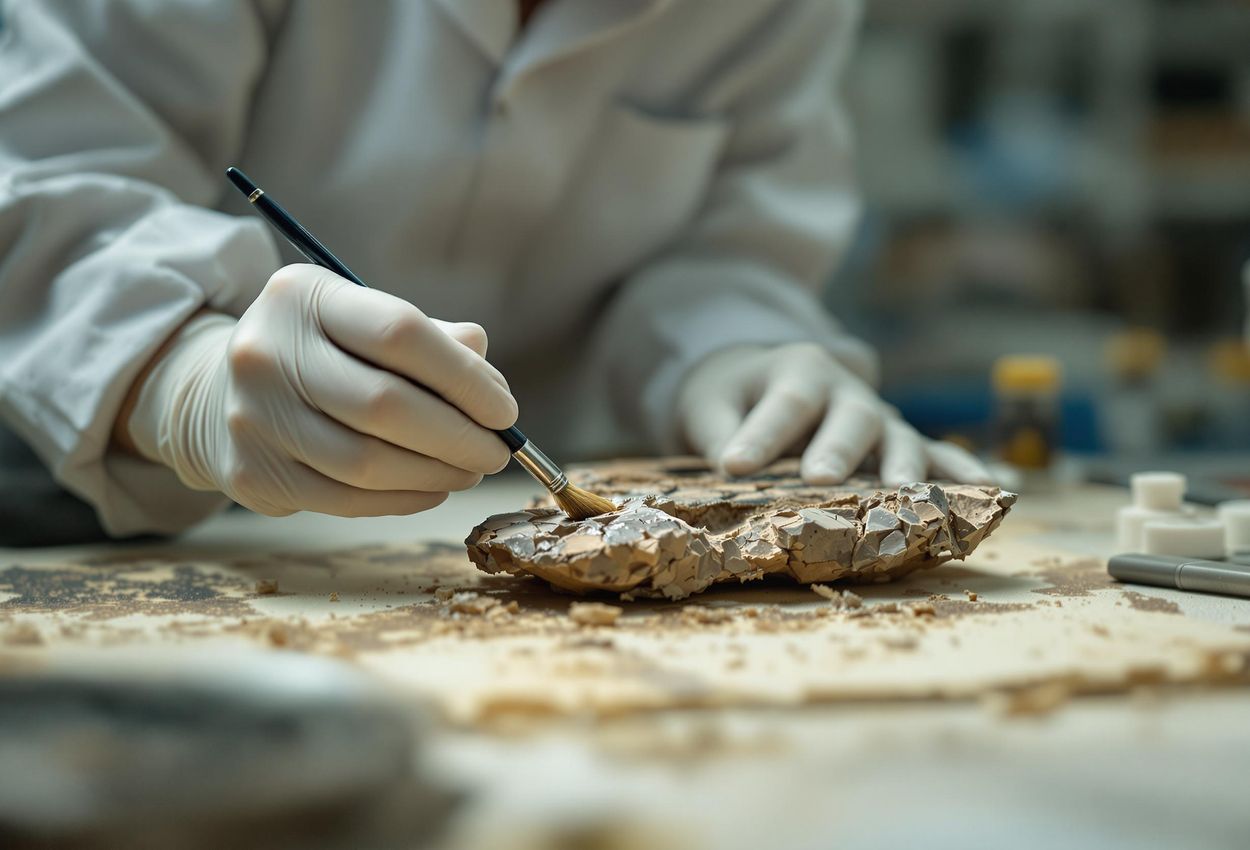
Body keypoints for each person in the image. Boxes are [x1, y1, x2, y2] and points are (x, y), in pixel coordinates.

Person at [0, 0, 989, 545]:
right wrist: (175, 370)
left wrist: (733, 349)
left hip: (528, 535)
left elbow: (729, 235)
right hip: (93, 505)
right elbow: (45, 164)